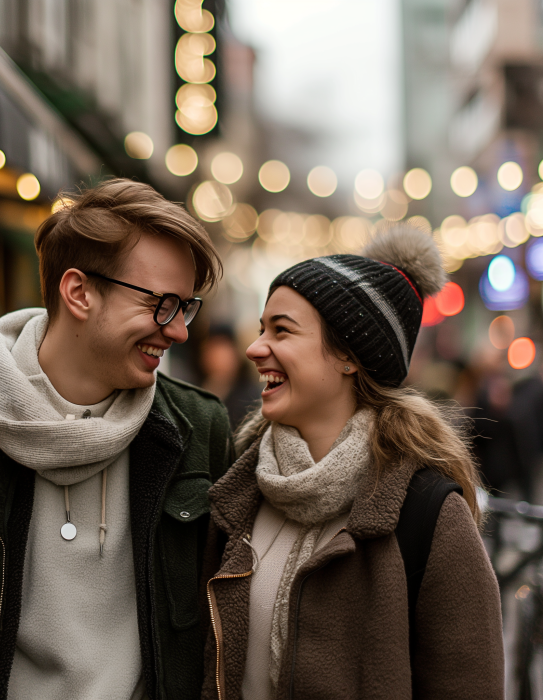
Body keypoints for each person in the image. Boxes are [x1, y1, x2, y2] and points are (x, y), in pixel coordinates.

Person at [0, 179, 233, 700]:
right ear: (78, 292)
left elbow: (224, 632)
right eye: (161, 303)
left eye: (184, 306)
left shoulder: (198, 429)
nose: (179, 331)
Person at [201, 226, 504, 699]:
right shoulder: (239, 491)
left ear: (348, 356)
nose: (255, 348)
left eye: (281, 329)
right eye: (262, 329)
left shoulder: (428, 513)